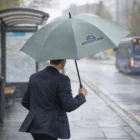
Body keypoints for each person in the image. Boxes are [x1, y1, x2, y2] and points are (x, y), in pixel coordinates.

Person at [19, 59, 88, 140]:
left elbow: (25, 101)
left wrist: (38, 111)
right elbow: (69, 105)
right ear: (63, 62)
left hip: (35, 125)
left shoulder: (34, 77)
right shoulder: (62, 79)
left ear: (51, 60)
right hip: (51, 127)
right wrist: (82, 95)